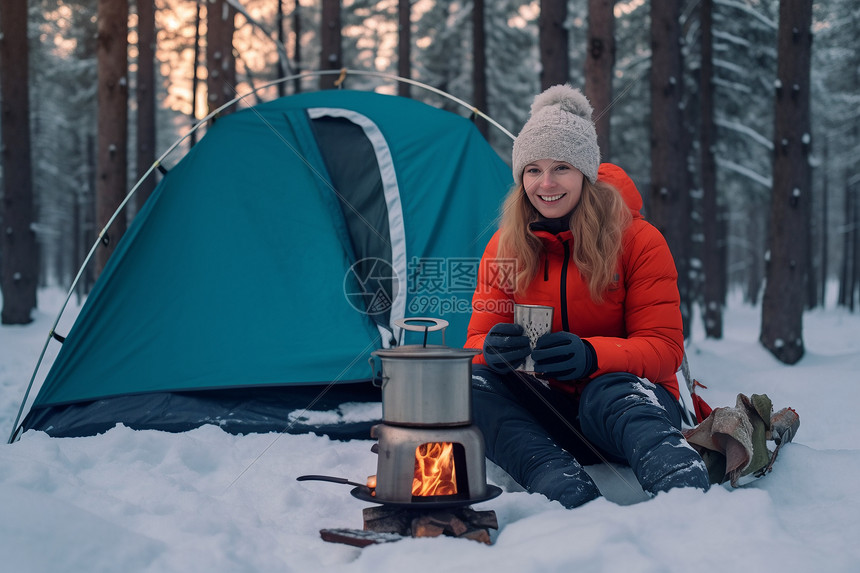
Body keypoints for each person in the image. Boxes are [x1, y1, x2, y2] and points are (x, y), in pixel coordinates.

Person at [466, 84, 710, 508]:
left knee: (609, 389)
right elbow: (473, 345)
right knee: (467, 384)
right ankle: (558, 481)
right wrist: (491, 351)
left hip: (630, 412)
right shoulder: (504, 246)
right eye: (532, 170)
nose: (546, 183)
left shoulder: (638, 241)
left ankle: (682, 490)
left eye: (561, 167)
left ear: (585, 171)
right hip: (548, 416)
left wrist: (594, 356)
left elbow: (665, 349)